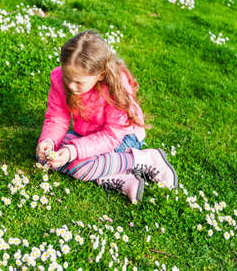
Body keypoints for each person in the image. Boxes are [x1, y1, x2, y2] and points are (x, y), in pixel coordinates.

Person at [35, 29, 177, 204]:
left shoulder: (113, 89)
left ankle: (143, 159)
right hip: (89, 135)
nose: (71, 86)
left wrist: (73, 151)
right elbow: (57, 117)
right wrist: (48, 141)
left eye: (78, 82)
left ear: (100, 74)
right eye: (67, 78)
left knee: (78, 166)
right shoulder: (59, 79)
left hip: (124, 138)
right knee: (47, 156)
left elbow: (111, 136)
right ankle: (122, 179)